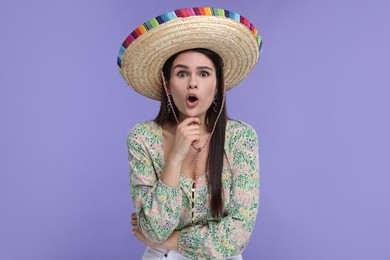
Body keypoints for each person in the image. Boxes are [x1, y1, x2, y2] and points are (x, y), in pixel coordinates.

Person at [117, 7, 263, 260]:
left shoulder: (241, 138)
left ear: (218, 85)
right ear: (167, 83)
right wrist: (174, 157)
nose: (192, 83)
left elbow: (238, 234)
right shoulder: (142, 138)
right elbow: (154, 228)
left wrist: (173, 240)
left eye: (204, 73)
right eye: (182, 73)